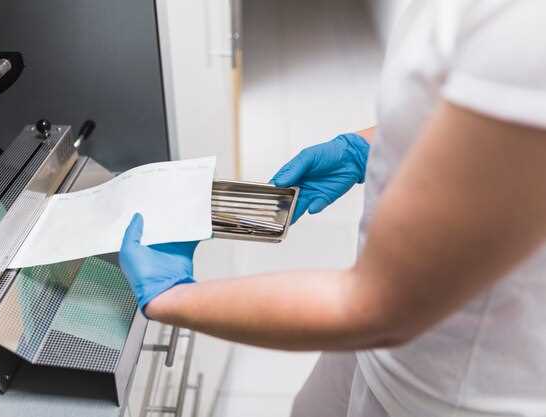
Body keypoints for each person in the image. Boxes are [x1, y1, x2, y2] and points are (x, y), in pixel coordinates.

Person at [119, 1, 546, 416]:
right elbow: (475, 125)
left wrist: (173, 297)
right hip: (385, 341)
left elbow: (373, 306)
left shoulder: (524, 28)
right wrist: (367, 147)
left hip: (449, 386)